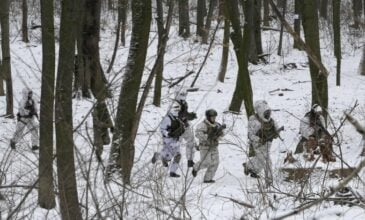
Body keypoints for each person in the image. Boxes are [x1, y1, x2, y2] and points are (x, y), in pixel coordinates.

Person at [243, 100, 283, 186]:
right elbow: (250, 135)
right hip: (258, 145)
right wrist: (259, 139)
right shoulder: (254, 121)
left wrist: (276, 133)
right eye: (266, 113)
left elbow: (276, 129)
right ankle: (269, 182)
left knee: (260, 160)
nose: (268, 115)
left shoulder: (271, 121)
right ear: (261, 112)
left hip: (268, 144)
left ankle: (249, 167)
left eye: (268, 112)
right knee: (267, 162)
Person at [151, 103, 186, 177]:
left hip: (176, 139)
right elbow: (162, 129)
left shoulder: (177, 118)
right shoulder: (167, 118)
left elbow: (181, 127)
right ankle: (158, 156)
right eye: (175, 109)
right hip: (168, 139)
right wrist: (168, 134)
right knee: (168, 156)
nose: (177, 111)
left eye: (178, 109)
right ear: (170, 109)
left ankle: (172, 172)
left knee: (177, 155)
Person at [192, 109, 225, 183]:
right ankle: (195, 167)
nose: (214, 118)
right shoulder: (202, 125)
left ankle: (208, 178)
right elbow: (197, 134)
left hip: (214, 146)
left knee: (215, 162)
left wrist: (219, 134)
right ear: (208, 117)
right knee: (206, 162)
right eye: (212, 117)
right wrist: (207, 136)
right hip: (205, 146)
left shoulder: (217, 125)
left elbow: (222, 135)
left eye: (215, 117)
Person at [174, 88, 197, 168]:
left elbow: (185, 114)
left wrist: (191, 115)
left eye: (184, 94)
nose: (183, 96)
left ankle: (190, 160)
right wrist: (189, 116)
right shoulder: (174, 104)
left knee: (191, 141)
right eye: (182, 94)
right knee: (175, 146)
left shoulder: (184, 103)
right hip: (176, 128)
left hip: (185, 126)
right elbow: (180, 115)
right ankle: (165, 158)